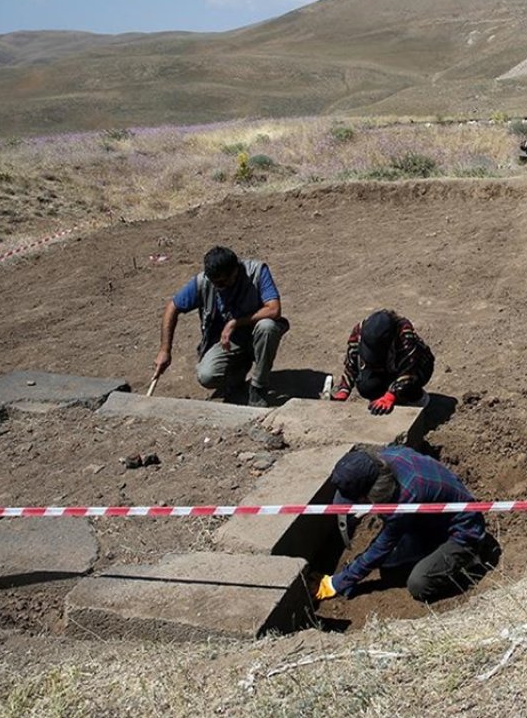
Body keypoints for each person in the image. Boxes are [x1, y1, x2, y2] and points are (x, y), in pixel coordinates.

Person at [313, 446, 501, 603]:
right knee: (389, 562)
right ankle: (426, 545)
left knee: (419, 585)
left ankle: (469, 559)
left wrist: (338, 582)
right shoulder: (388, 457)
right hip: (432, 519)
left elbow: (382, 546)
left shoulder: (405, 499)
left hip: (463, 533)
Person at [153, 246, 287, 407]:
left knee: (267, 327)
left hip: (256, 334)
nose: (218, 287)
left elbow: (274, 310)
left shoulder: (257, 272)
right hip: (229, 342)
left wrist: (235, 322)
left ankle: (258, 387)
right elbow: (172, 308)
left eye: (222, 282)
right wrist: (164, 350)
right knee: (206, 376)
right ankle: (238, 372)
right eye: (214, 282)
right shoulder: (205, 281)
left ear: (235, 270)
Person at [329, 310, 434, 414]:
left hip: (418, 366)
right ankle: (383, 400)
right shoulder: (359, 332)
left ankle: (418, 399)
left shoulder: (404, 334)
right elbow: (351, 362)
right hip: (384, 368)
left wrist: (390, 396)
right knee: (366, 386)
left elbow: (410, 368)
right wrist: (344, 389)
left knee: (409, 385)